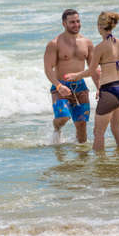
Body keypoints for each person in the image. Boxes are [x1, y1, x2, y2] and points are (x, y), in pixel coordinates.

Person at [65, 12, 119, 151]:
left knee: (98, 133)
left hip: (110, 91)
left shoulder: (100, 47)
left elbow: (91, 71)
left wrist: (75, 76)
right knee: (117, 131)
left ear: (100, 26)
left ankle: (99, 167)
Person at [44, 9, 99, 144]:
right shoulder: (54, 43)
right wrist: (59, 85)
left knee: (81, 126)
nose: (76, 24)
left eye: (78, 21)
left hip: (80, 87)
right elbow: (48, 69)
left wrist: (99, 87)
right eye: (72, 22)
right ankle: (57, 129)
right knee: (63, 117)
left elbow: (93, 69)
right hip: (60, 86)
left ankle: (81, 159)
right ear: (64, 23)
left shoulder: (87, 43)